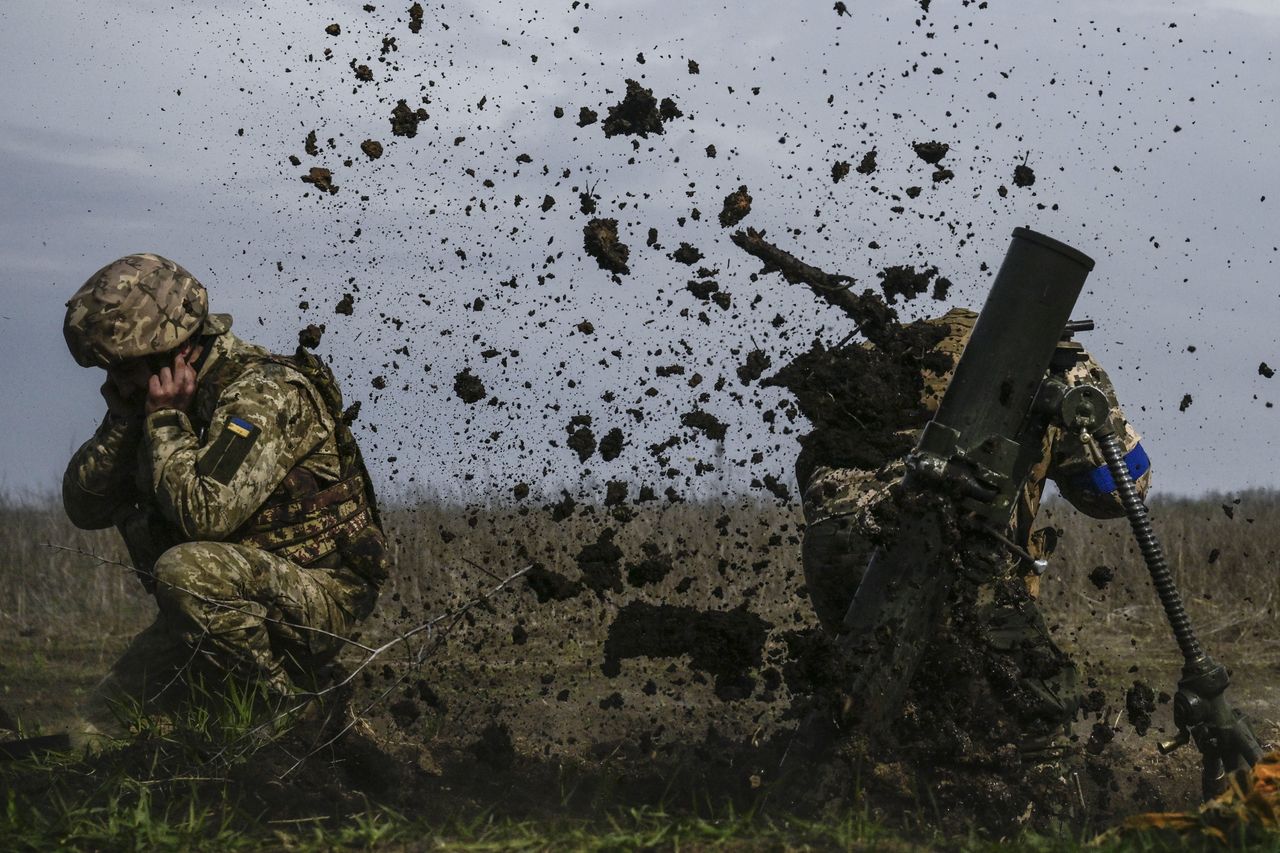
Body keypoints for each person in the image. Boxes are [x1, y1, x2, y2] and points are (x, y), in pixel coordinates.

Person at [797, 306, 1151, 756]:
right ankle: (1019, 815)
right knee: (1036, 706)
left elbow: (815, 462)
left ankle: (846, 796)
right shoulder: (1050, 363)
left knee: (873, 697)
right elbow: (1118, 491)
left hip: (836, 541)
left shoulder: (889, 351)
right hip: (945, 545)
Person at [61, 253, 388, 740]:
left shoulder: (265, 392)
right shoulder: (149, 400)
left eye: (123, 368)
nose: (114, 383)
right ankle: (237, 709)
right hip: (231, 599)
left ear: (179, 351)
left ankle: (291, 720)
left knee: (185, 572)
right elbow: (84, 506)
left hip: (317, 594)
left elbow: (205, 514)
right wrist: (128, 421)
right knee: (94, 731)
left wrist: (165, 423)